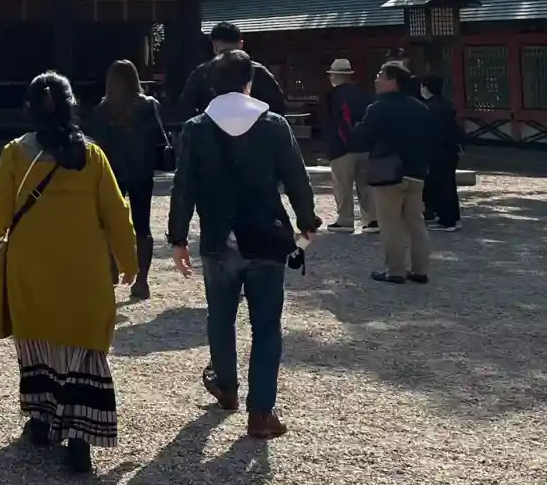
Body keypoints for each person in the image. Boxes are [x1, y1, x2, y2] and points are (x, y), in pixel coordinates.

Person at [0, 71, 137, 475]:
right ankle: (80, 439)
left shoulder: (15, 154)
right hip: (85, 271)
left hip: (30, 268)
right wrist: (129, 261)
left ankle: (41, 420)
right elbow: (117, 215)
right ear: (72, 107)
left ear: (29, 110)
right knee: (83, 353)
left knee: (38, 346)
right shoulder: (93, 157)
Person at [167, 49, 320, 441]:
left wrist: (178, 238)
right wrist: (307, 221)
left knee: (220, 318)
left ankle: (226, 386)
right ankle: (261, 412)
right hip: (266, 235)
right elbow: (296, 176)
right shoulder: (273, 125)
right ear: (249, 82)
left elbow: (184, 187)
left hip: (218, 238)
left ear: (212, 85)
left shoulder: (197, 129)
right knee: (266, 325)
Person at [86, 59, 171, 299]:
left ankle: (112, 270)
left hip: (112, 172)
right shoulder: (148, 105)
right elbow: (160, 139)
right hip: (141, 171)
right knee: (143, 226)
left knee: (109, 223)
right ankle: (141, 281)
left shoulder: (103, 109)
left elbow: (97, 144)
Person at [351, 61, 435, 282]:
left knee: (390, 224)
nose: (376, 79)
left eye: (381, 75)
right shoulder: (421, 108)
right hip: (416, 172)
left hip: (387, 172)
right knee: (416, 224)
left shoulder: (377, 108)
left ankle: (396, 270)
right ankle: (420, 270)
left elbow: (362, 137)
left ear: (393, 82)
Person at [179, 22, 286, 118]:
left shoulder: (201, 73)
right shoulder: (259, 71)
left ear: (215, 47)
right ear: (241, 44)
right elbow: (278, 107)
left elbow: (185, 109)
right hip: (256, 130)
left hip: (212, 130)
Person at [322, 56, 374, 231]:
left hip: (342, 148)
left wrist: (338, 143)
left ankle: (345, 220)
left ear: (336, 76)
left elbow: (338, 121)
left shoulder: (335, 96)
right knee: (366, 186)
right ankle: (372, 219)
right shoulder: (363, 93)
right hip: (365, 146)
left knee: (343, 187)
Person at [419, 74, 462, 230]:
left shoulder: (431, 108)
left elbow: (437, 133)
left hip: (438, 152)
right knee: (447, 185)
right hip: (447, 151)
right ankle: (449, 217)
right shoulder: (444, 104)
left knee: (442, 186)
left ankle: (447, 220)